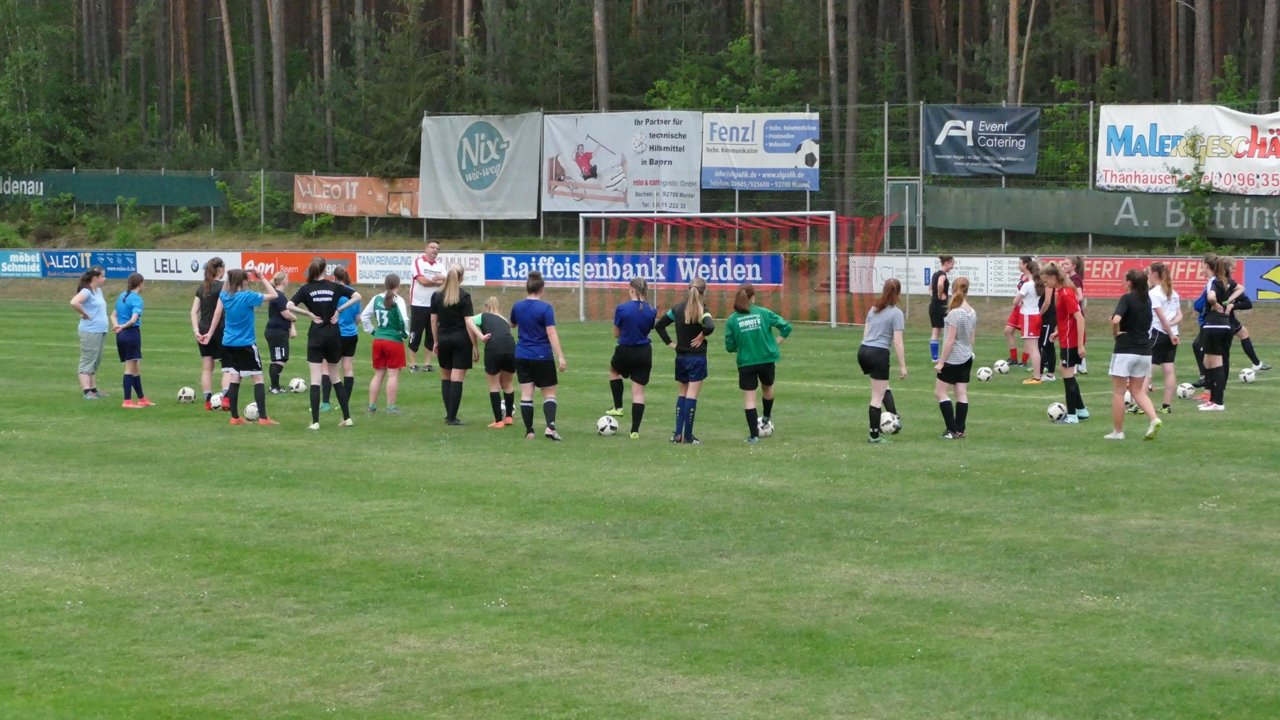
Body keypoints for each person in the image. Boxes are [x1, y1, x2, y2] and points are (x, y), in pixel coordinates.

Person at [287, 257, 362, 429]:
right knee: (335, 377)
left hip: (316, 335)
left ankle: (315, 422)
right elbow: (357, 296)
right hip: (333, 335)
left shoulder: (306, 289)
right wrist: (339, 310)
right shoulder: (334, 286)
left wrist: (309, 315)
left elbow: (289, 305)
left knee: (315, 379)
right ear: (325, 270)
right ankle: (347, 417)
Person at [205, 268, 279, 426]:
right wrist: (262, 277)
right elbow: (274, 295)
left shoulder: (225, 296)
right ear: (242, 281)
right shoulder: (248, 296)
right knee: (258, 378)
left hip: (228, 344)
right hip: (245, 344)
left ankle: (235, 417)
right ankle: (263, 418)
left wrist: (210, 334)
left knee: (235, 377)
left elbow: (217, 314)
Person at [724, 283, 792, 444]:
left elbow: (730, 346)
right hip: (766, 359)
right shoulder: (763, 312)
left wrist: (743, 345)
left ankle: (754, 436)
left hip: (746, 362)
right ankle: (767, 416)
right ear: (753, 297)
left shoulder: (732, 319)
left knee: (749, 399)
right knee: (767, 387)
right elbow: (786, 327)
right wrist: (777, 342)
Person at [655, 277, 715, 444]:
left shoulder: (677, 309)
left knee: (682, 393)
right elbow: (710, 326)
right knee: (692, 396)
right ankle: (688, 436)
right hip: (697, 358)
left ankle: (677, 435)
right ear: (704, 291)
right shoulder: (703, 310)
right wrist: (702, 335)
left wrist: (671, 344)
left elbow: (659, 325)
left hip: (680, 357)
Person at [511, 271, 568, 440]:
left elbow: (512, 323)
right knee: (549, 393)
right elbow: (551, 333)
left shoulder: (517, 306)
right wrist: (560, 356)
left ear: (527, 287)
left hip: (521, 354)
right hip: (542, 355)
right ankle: (550, 427)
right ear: (541, 289)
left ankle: (529, 431)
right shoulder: (545, 308)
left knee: (526, 393)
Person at [1106, 269, 1161, 440]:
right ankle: (1154, 419)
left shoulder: (1127, 298)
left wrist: (1115, 332)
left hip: (1125, 350)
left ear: (1130, 283)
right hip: (1144, 351)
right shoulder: (1148, 300)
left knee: (1119, 392)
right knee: (1138, 391)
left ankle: (1118, 431)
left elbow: (1116, 319)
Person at [605, 277, 658, 439]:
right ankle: (634, 431)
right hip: (644, 352)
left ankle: (618, 407)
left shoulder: (622, 308)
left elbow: (616, 333)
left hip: (625, 350)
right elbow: (648, 329)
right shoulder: (651, 310)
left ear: (633, 290)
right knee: (638, 393)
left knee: (614, 371)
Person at [858, 278, 908, 444]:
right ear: (898, 293)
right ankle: (874, 435)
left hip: (863, 350)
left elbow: (866, 334)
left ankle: (894, 415)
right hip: (878, 353)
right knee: (877, 397)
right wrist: (902, 366)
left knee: (883, 386)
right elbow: (898, 341)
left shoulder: (874, 309)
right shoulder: (896, 313)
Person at [1040, 262, 1089, 424]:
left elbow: (1079, 318)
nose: (1046, 285)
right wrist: (1057, 332)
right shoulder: (1062, 291)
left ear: (1054, 278)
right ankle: (1082, 410)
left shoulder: (1066, 294)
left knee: (1067, 376)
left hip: (1071, 341)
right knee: (1069, 374)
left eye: (1046, 282)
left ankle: (1073, 416)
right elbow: (1067, 319)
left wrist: (1080, 345)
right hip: (1067, 338)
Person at [431, 265, 479, 426]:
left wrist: (436, 341)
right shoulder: (464, 296)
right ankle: (452, 417)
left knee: (445, 376)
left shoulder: (437, 295)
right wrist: (475, 345)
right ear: (461, 278)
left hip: (444, 337)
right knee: (457, 378)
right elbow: (469, 322)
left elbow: (433, 320)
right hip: (461, 339)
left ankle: (448, 414)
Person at [1197, 255, 1243, 412]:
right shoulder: (1225, 281)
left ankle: (1218, 402)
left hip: (1214, 325)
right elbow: (1240, 288)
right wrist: (1228, 301)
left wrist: (1216, 304)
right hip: (1224, 325)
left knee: (1216, 364)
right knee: (1209, 362)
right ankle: (1212, 400)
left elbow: (1210, 297)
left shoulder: (1214, 281)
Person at [360, 273, 409, 414]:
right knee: (393, 374)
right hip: (393, 341)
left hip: (378, 340)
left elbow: (364, 316)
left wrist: (372, 331)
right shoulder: (398, 300)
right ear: (398, 285)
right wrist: (404, 334)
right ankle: (391, 406)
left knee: (378, 373)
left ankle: (372, 405)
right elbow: (404, 320)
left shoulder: (376, 298)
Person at [933, 276, 975, 439]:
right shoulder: (972, 311)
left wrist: (941, 362)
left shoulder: (955, 313)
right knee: (961, 392)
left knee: (940, 392)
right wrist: (970, 351)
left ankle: (951, 430)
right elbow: (972, 337)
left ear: (952, 290)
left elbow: (950, 340)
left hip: (953, 358)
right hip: (966, 356)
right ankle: (960, 429)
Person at [191, 257, 231, 409]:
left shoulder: (202, 288)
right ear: (220, 269)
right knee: (227, 365)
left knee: (207, 367)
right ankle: (226, 399)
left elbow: (194, 311)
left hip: (202, 328)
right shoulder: (223, 286)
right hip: (220, 328)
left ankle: (208, 401)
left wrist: (196, 330)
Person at [472, 296, 517, 429]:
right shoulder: (504, 320)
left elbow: (468, 321)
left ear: (486, 307)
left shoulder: (483, 316)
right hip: (510, 347)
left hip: (494, 347)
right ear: (499, 307)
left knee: (494, 385)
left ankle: (498, 420)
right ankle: (509, 417)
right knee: (508, 383)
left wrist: (480, 337)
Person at [110, 272, 152, 408]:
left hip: (121, 335)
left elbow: (113, 315)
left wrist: (116, 325)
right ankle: (127, 401)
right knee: (129, 368)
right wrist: (123, 326)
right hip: (131, 334)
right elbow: (134, 319)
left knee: (135, 368)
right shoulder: (137, 299)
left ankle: (141, 398)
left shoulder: (122, 296)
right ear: (140, 284)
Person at [320, 266, 360, 411]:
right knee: (348, 368)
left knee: (327, 367)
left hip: (336, 335)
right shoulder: (353, 294)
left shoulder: (334, 294)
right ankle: (345, 402)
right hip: (351, 334)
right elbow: (357, 318)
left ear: (334, 278)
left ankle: (325, 403)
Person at [1146, 262, 1182, 414]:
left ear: (1154, 274)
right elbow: (1180, 315)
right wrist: (1172, 330)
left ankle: (1140, 405)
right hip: (1171, 333)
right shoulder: (1173, 292)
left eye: (1148, 273)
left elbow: (1161, 318)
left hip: (1159, 333)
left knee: (1147, 368)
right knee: (1169, 369)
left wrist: (1169, 331)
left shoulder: (1154, 293)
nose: (1147, 276)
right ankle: (1166, 406)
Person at [70, 266, 109, 399]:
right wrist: (85, 314)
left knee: (95, 360)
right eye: (102, 276)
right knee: (87, 360)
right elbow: (74, 302)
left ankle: (93, 389)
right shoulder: (87, 292)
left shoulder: (98, 291)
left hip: (100, 330)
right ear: (95, 278)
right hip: (90, 331)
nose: (105, 279)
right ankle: (87, 392)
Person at [408, 240, 445, 372]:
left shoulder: (440, 266)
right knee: (415, 333)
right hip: (418, 304)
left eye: (437, 248)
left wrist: (440, 281)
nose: (435, 250)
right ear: (426, 248)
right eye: (432, 247)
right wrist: (436, 282)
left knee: (431, 334)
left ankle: (427, 364)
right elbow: (422, 281)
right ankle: (412, 364)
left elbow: (446, 281)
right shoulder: (418, 262)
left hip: (434, 305)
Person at [263, 271, 296, 395]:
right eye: (287, 278)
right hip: (276, 332)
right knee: (279, 359)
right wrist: (295, 317)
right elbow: (286, 314)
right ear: (283, 281)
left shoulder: (278, 295)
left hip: (277, 331)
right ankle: (274, 387)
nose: (288, 280)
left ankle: (275, 386)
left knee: (279, 358)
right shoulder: (279, 296)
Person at [1002, 256, 1034, 368]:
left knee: (1026, 336)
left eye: (1020, 263)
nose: (1018, 265)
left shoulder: (1032, 279)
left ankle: (1024, 360)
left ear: (1026, 264)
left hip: (1026, 310)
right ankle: (1013, 358)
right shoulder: (1022, 276)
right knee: (1008, 331)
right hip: (1017, 309)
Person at [1018, 259, 1044, 384]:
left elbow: (1015, 300)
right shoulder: (1038, 284)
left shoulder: (1027, 285)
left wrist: (1020, 301)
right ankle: (1036, 375)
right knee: (1034, 348)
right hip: (1036, 314)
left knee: (1032, 349)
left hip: (1029, 316)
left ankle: (1037, 377)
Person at [1062, 256, 1088, 374]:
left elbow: (1080, 295)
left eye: (1067, 264)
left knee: (1077, 338)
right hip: (1071, 311)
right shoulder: (1068, 278)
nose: (1064, 266)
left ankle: (1078, 366)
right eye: (1064, 264)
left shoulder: (1076, 279)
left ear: (1074, 266)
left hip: (1076, 312)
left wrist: (1072, 300)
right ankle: (1081, 366)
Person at [928, 255, 954, 362]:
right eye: (952, 264)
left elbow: (929, 289)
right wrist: (939, 296)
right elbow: (940, 285)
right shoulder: (942, 274)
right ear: (947, 262)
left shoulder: (935, 274)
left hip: (933, 305)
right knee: (950, 330)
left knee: (935, 331)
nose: (952, 267)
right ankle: (948, 355)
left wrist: (934, 297)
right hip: (941, 306)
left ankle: (935, 357)